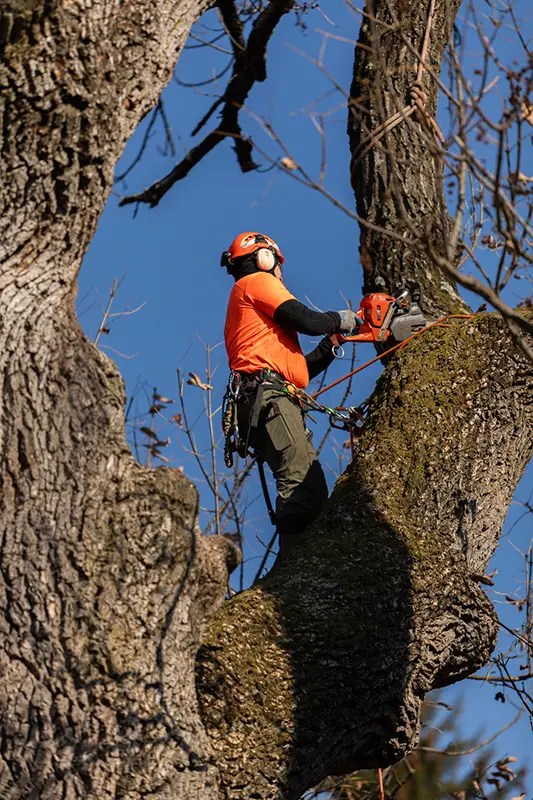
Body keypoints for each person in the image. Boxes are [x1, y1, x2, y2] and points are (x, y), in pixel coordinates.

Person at [221, 231, 360, 553]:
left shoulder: (249, 305)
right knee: (304, 487)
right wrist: (342, 319)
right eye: (278, 264)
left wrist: (330, 345)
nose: (281, 272)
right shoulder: (257, 282)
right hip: (270, 399)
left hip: (269, 396)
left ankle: (302, 559)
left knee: (308, 487)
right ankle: (295, 566)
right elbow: (307, 321)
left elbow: (296, 370)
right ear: (264, 258)